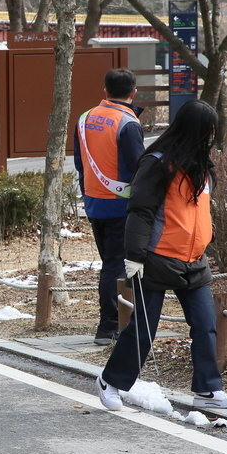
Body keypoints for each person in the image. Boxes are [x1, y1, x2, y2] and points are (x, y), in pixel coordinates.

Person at [95, 99, 227, 412]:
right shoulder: (158, 162)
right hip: (156, 258)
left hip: (194, 260)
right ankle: (111, 381)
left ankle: (207, 389)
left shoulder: (201, 165)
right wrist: (134, 256)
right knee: (143, 330)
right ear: (195, 130)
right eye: (208, 130)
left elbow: (198, 209)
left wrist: (207, 234)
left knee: (205, 325)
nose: (212, 137)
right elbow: (140, 211)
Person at [73, 68, 146, 345]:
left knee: (110, 263)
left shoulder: (84, 118)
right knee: (116, 266)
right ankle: (110, 325)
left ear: (105, 90)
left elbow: (80, 163)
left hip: (94, 202)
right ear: (134, 92)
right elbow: (138, 167)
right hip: (121, 205)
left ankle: (116, 321)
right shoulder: (127, 123)